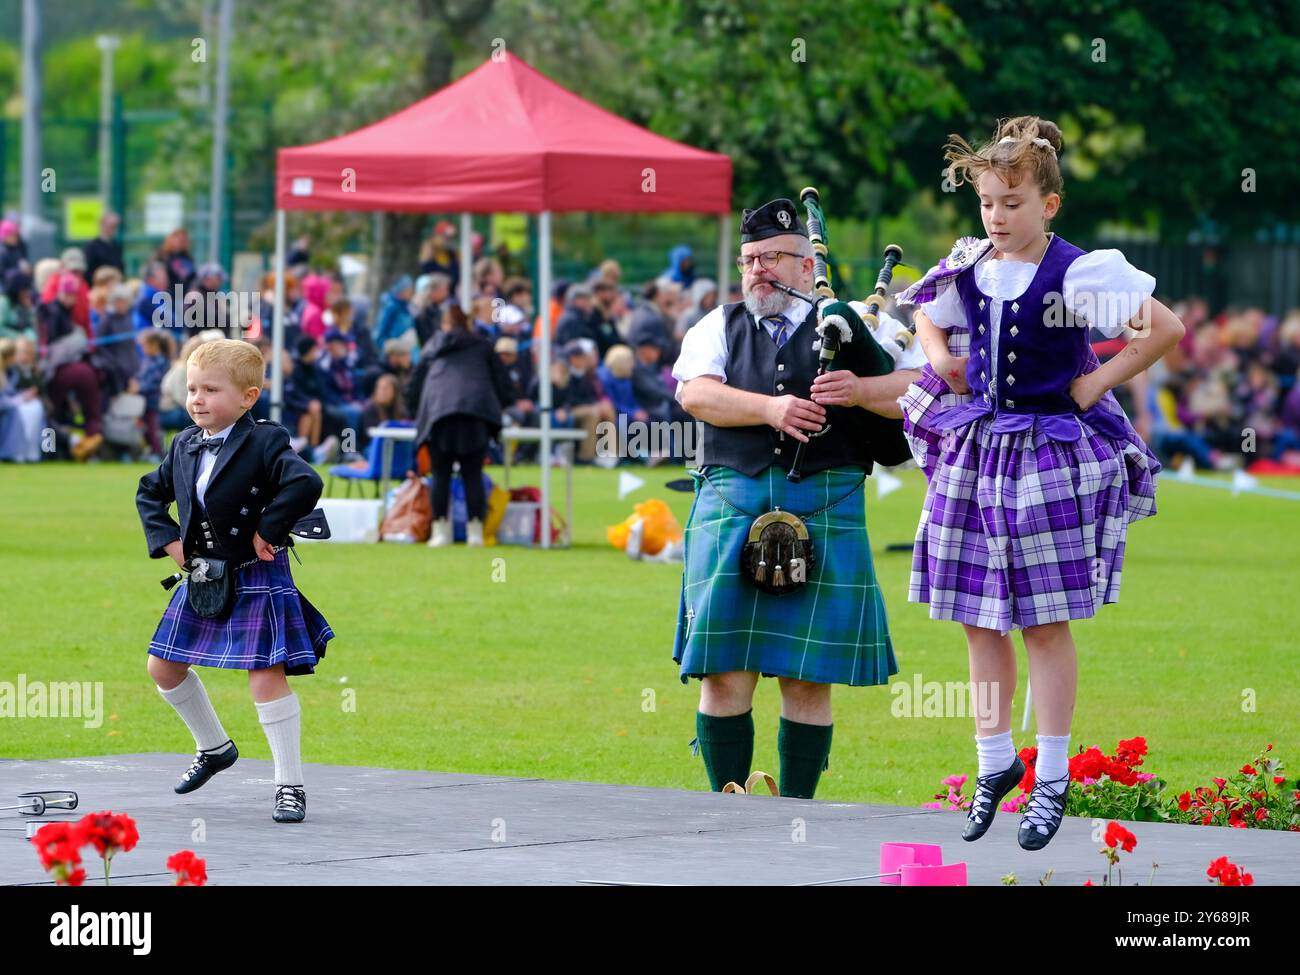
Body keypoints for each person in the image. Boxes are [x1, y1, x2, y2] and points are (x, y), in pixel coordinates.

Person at [896, 116, 1184, 850]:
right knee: (976, 616)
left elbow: (1165, 329)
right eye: (988, 202)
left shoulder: (1079, 272)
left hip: (1049, 459)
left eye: (1012, 203)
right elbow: (926, 313)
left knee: (1042, 622)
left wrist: (1097, 382)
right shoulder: (972, 264)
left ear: (1048, 204)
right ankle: (995, 764)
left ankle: (1050, 777)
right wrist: (941, 359)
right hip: (979, 452)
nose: (997, 216)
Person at [671, 198, 925, 798]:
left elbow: (924, 388)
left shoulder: (864, 326)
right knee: (724, 671)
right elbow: (696, 396)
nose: (759, 269)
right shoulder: (718, 326)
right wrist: (770, 409)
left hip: (827, 504)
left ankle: (798, 809)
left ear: (809, 265)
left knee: (807, 677)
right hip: (730, 506)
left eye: (775, 258)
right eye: (750, 259)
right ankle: (728, 804)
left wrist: (862, 389)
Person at [135, 339, 333, 823]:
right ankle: (215, 748)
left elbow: (305, 482)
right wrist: (169, 542)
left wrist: (268, 528)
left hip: (256, 571)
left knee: (265, 675)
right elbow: (149, 492)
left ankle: (290, 786)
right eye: (192, 389)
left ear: (248, 397)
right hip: (204, 572)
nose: (198, 399)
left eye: (211, 390)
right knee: (162, 667)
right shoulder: (184, 443)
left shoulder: (265, 440)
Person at [412, 303, 514, 547]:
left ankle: (440, 532)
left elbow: (415, 382)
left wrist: (413, 409)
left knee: (441, 474)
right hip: (475, 415)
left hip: (439, 415)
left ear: (446, 324)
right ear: (469, 323)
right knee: (472, 474)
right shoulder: (483, 346)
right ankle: (475, 532)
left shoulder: (433, 347)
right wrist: (505, 405)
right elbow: (504, 384)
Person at [84, 213, 124, 282]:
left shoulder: (116, 246)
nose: (113, 229)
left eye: (115, 226)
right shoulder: (92, 246)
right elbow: (88, 270)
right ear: (102, 225)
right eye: (111, 226)